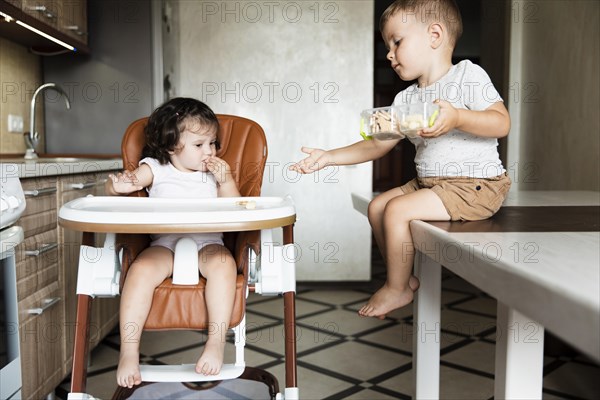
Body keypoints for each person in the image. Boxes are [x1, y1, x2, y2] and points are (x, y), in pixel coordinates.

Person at [290, 0, 511, 319]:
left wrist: (458, 117)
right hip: (430, 184)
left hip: (474, 185)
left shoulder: (468, 76)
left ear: (434, 35)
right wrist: (329, 157)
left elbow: (501, 122)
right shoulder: (405, 99)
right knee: (377, 207)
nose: (389, 54)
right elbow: (376, 145)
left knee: (396, 210)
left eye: (397, 42)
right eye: (387, 46)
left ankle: (396, 288)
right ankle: (402, 277)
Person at [106, 97, 240, 388]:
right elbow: (130, 181)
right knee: (140, 271)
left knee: (224, 265)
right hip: (164, 245)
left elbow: (234, 210)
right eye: (199, 145)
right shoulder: (155, 167)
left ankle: (216, 343)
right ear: (170, 145)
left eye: (213, 143)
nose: (210, 151)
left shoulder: (215, 174)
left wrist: (227, 180)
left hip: (208, 243)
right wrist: (117, 186)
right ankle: (129, 352)